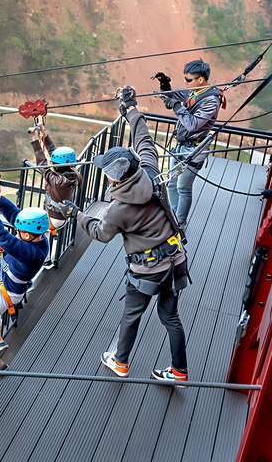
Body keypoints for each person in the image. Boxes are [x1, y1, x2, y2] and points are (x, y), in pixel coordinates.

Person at [60, 86, 191, 386]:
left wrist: (78, 215)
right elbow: (143, 138)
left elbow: (100, 233)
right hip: (176, 260)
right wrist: (130, 108)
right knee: (170, 318)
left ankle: (120, 361)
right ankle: (179, 371)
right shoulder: (150, 170)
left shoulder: (118, 209)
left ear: (113, 177)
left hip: (147, 271)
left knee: (131, 315)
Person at [0, 189, 49, 383]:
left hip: (8, 291)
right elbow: (16, 217)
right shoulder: (38, 238)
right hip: (4, 283)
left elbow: (2, 237)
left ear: (30, 235)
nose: (18, 232)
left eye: (21, 232)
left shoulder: (31, 252)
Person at [153, 59, 223, 228]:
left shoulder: (211, 100)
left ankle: (180, 223)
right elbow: (170, 98)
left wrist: (177, 106)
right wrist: (165, 85)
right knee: (171, 184)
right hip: (180, 146)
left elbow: (192, 124)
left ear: (201, 79)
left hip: (194, 150)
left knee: (183, 187)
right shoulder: (193, 91)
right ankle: (172, 217)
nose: (186, 82)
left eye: (189, 79)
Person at [29, 125, 83, 267]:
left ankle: (45, 260)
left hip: (54, 218)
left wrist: (34, 138)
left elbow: (42, 162)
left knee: (34, 231)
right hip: (63, 215)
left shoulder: (55, 180)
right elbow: (53, 152)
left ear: (56, 166)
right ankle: (46, 258)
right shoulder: (73, 172)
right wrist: (43, 133)